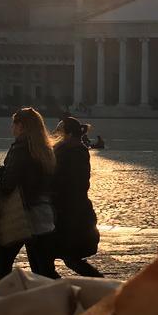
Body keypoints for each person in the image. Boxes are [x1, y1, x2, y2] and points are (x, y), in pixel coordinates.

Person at [0, 107, 58, 280]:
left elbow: (9, 183)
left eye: (14, 124)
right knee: (43, 268)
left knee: (3, 263)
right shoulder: (45, 149)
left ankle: (8, 300)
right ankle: (56, 300)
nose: (12, 129)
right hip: (43, 213)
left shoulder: (20, 148)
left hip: (21, 213)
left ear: (21, 126)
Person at [52, 117, 103, 277]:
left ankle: (100, 285)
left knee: (67, 256)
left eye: (59, 129)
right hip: (68, 209)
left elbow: (69, 181)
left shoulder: (72, 151)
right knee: (67, 257)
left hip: (69, 211)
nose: (55, 132)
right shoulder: (70, 149)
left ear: (67, 133)